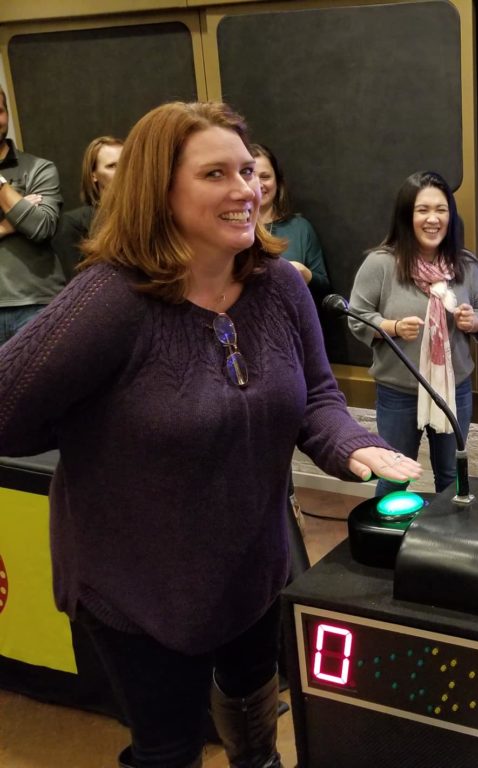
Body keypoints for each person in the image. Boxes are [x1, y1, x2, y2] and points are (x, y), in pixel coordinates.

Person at [0, 101, 421, 768]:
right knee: (169, 751)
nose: (245, 191)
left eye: (248, 171)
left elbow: (315, 395)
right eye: (215, 174)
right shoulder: (110, 299)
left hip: (253, 566)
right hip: (137, 589)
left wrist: (348, 444)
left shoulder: (281, 287)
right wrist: (81, 422)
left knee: (255, 733)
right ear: (157, 190)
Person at [349, 171, 478, 495]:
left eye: (441, 210)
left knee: (452, 478)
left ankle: (448, 542)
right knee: (394, 477)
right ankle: (389, 543)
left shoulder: (467, 265)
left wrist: (475, 322)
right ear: (407, 216)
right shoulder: (381, 264)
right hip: (399, 393)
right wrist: (392, 327)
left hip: (453, 391)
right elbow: (356, 316)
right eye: (422, 210)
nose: (433, 219)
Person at [0, 85, 63, 344]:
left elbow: (41, 227)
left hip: (37, 303)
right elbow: (27, 221)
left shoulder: (40, 169)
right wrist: (9, 223)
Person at [250, 143, 330, 301]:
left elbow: (325, 291)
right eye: (250, 175)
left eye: (265, 176)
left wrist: (306, 275)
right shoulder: (233, 230)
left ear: (278, 181)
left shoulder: (300, 228)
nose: (258, 184)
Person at [51, 135, 123, 279]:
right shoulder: (74, 223)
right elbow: (75, 283)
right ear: (93, 175)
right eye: (112, 166)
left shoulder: (147, 216)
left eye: (126, 163)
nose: (123, 171)